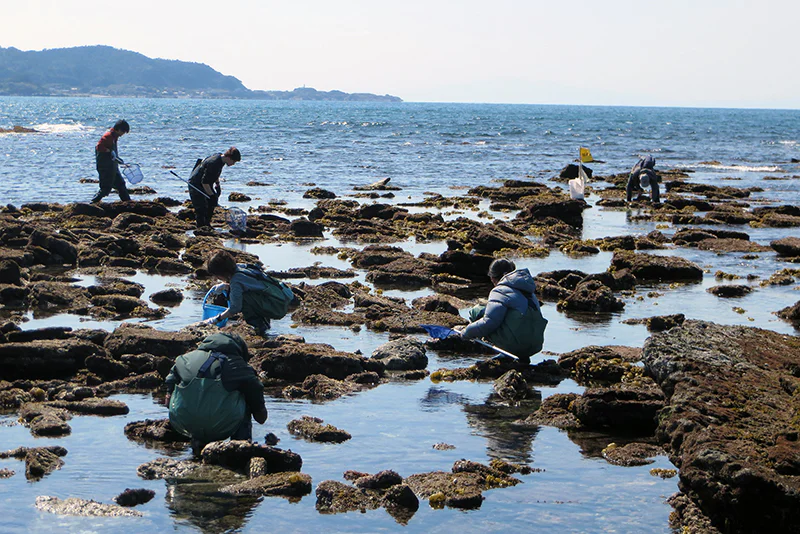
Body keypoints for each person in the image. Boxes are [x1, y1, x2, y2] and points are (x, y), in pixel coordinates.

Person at [165, 332, 268, 457]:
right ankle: (240, 448)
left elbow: (168, 395)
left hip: (183, 423)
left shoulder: (184, 358)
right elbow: (256, 395)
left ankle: (199, 445)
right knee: (244, 397)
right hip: (221, 424)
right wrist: (260, 413)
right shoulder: (239, 365)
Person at [457, 259, 547, 365]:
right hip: (535, 345)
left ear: (493, 278)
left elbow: (488, 322)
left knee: (477, 311)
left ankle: (507, 353)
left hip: (515, 344)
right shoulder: (529, 290)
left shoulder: (499, 290)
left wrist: (466, 332)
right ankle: (519, 356)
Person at [201, 250, 297, 336]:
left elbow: (235, 308)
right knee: (242, 294)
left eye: (217, 276)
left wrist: (215, 319)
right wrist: (224, 285)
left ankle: (257, 326)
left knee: (243, 297)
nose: (216, 278)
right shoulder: (241, 267)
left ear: (221, 273)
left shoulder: (236, 281)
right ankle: (264, 325)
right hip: (284, 296)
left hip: (278, 306)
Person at [189, 147, 241, 228]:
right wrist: (212, 196)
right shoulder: (214, 163)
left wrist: (217, 184)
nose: (233, 164)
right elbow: (204, 182)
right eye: (233, 161)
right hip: (196, 183)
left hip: (205, 182)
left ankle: (207, 224)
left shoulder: (221, 158)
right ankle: (201, 227)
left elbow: (216, 173)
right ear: (229, 157)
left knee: (211, 204)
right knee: (201, 207)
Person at [91, 119, 131, 203]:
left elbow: (113, 154)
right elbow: (99, 147)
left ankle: (128, 204)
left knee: (121, 185)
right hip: (105, 167)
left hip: (112, 166)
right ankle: (93, 203)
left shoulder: (114, 137)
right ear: (118, 129)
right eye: (123, 131)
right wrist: (108, 151)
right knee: (105, 189)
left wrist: (118, 160)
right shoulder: (108, 136)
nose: (123, 134)